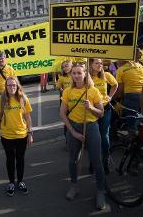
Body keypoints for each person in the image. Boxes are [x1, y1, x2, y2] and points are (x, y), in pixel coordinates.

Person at [60, 63, 105, 210]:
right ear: (71, 75)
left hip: (91, 127)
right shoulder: (67, 91)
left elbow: (101, 113)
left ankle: (100, 191)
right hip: (74, 127)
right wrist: (72, 132)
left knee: (96, 160)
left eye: (79, 73)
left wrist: (90, 107)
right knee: (73, 160)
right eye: (74, 73)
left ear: (85, 74)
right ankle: (74, 186)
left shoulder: (93, 91)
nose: (77, 75)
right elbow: (62, 114)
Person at [0, 76, 33, 196]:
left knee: (20, 159)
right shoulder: (1, 99)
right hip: (6, 135)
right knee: (10, 159)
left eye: (14, 85)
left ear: (17, 86)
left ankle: (20, 181)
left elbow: (27, 117)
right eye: (9, 85)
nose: (12, 87)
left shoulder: (23, 98)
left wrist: (30, 133)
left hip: (21, 134)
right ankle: (11, 182)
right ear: (6, 86)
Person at [89, 58, 118, 172]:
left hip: (105, 109)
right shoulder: (87, 77)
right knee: (93, 138)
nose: (100, 65)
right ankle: (93, 162)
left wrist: (110, 97)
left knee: (104, 136)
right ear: (91, 64)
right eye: (97, 63)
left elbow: (115, 85)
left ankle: (105, 162)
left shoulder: (106, 75)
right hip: (91, 110)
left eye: (101, 63)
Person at [115, 48, 143, 131]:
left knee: (132, 120)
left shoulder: (120, 70)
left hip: (131, 96)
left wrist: (117, 99)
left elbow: (120, 89)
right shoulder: (140, 66)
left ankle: (132, 139)